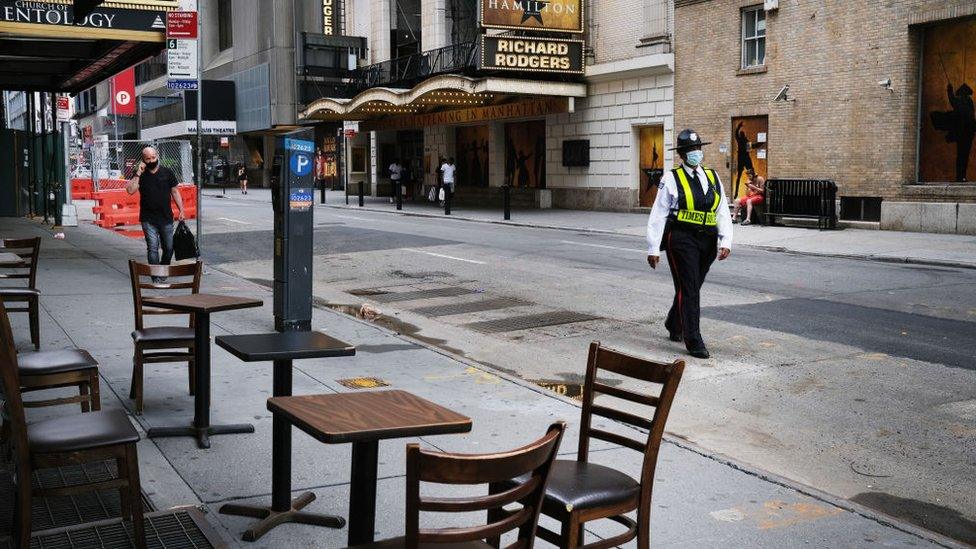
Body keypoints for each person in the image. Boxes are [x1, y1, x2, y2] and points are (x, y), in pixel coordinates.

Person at [646, 129, 733, 359]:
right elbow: (658, 214)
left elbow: (722, 210)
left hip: (707, 240)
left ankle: (674, 323)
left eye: (698, 149)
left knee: (691, 286)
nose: (696, 153)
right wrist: (653, 247)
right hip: (682, 238)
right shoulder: (671, 178)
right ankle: (693, 339)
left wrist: (726, 240)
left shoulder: (713, 176)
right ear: (682, 154)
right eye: (690, 150)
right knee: (690, 288)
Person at [126, 146, 185, 279]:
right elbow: (130, 190)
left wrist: (181, 209)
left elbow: (175, 191)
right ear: (143, 160)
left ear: (157, 156)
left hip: (166, 218)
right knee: (152, 248)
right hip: (148, 219)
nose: (152, 160)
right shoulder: (140, 174)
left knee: (169, 248)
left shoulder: (167, 173)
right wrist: (138, 173)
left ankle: (163, 270)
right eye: (148, 159)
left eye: (153, 157)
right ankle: (155, 275)